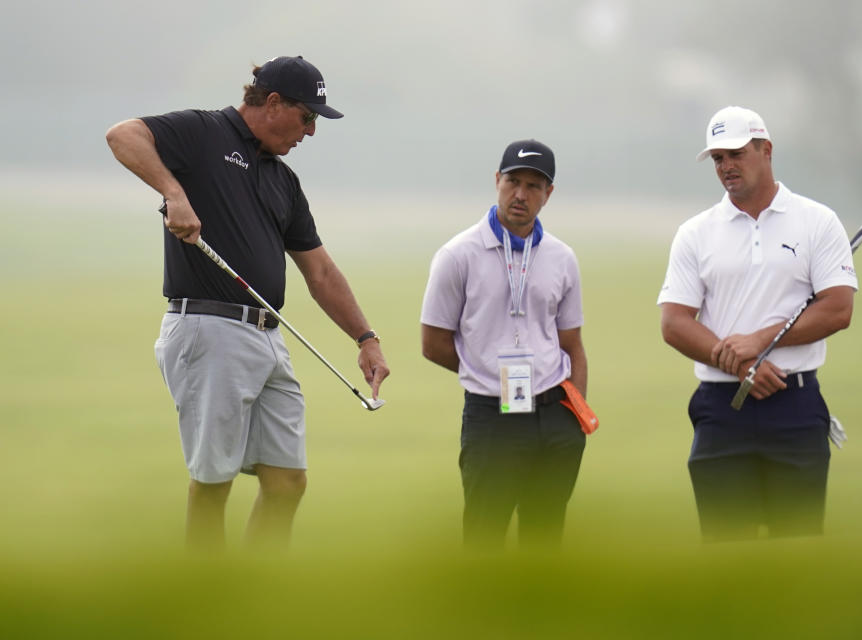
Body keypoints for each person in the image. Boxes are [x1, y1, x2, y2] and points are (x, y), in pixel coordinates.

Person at [105, 55, 389, 550]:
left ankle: (259, 598)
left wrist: (365, 338)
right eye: (308, 117)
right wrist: (174, 192)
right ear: (273, 102)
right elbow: (122, 135)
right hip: (208, 329)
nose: (311, 132)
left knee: (287, 482)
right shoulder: (204, 132)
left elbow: (319, 271)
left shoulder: (283, 180)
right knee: (213, 483)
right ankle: (209, 606)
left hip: (267, 338)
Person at [657, 106, 858, 541]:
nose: (726, 166)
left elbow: (838, 308)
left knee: (797, 547)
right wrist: (738, 364)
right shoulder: (696, 232)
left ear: (765, 150)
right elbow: (674, 322)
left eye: (735, 154)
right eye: (717, 159)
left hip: (795, 404)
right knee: (727, 551)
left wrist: (760, 340)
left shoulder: (816, 221)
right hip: (721, 409)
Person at [420, 139, 589, 550]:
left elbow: (572, 345)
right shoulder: (458, 255)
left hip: (555, 417)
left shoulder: (561, 258)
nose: (521, 194)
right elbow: (434, 342)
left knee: (545, 539)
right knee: (484, 538)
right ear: (497, 180)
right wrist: (484, 370)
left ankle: (539, 615)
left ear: (548, 194)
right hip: (492, 417)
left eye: (534, 186)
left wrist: (577, 418)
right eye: (513, 181)